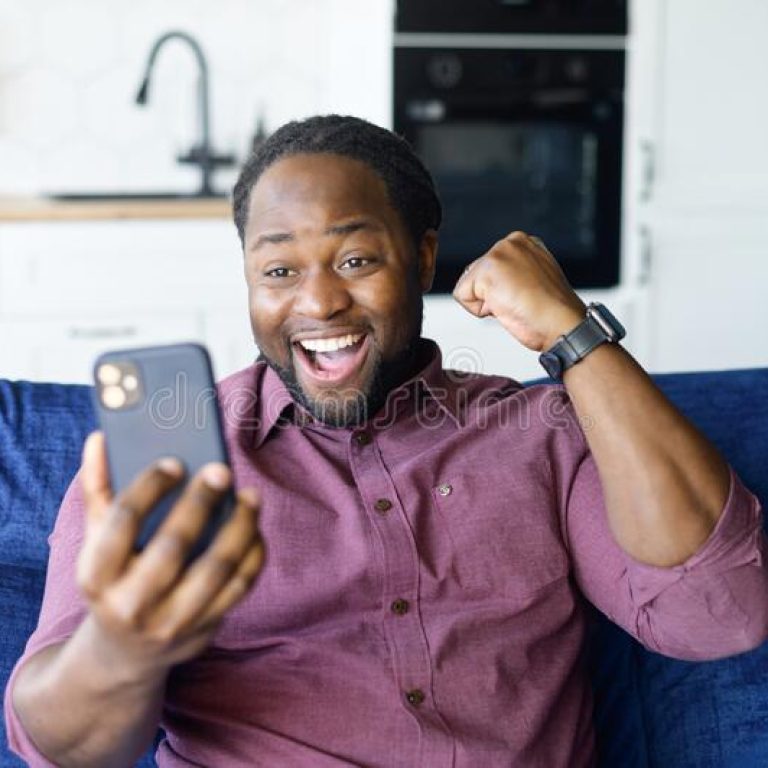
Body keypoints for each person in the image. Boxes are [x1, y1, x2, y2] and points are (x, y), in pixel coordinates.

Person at [6, 114, 768, 768]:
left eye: (356, 260)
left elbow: (719, 613)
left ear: (425, 259)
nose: (318, 300)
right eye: (278, 269)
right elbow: (57, 745)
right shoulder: (169, 455)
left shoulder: (540, 434)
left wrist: (575, 333)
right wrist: (122, 645)